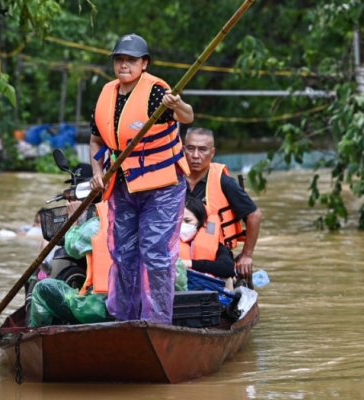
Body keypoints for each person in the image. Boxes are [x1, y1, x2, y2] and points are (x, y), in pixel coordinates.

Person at [88, 33, 194, 325]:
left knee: (155, 254)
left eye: (131, 60)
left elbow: (188, 116)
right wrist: (97, 173)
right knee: (122, 254)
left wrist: (177, 105)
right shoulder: (107, 94)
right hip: (123, 186)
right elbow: (96, 140)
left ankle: (158, 322)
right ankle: (123, 319)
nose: (124, 65)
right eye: (120, 59)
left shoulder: (157, 93)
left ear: (144, 64)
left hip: (162, 188)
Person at [28, 198, 232, 327]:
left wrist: (75, 220)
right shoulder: (162, 226)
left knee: (43, 288)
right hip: (154, 310)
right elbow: (178, 281)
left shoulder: (99, 223)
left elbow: (72, 247)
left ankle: (37, 333)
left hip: (102, 310)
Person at [183, 127, 262, 278]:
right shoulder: (172, 179)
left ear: (212, 153)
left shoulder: (223, 181)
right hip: (177, 252)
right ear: (183, 149)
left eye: (202, 150)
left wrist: (247, 255)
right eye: (190, 149)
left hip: (215, 254)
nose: (195, 155)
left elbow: (254, 215)